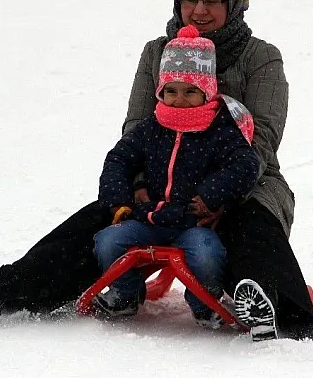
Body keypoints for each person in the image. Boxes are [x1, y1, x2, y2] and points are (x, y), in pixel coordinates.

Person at [0, 0, 313, 341]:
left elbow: (262, 142)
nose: (199, 10)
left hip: (243, 184)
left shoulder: (259, 57)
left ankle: (282, 316)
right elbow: (136, 130)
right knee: (99, 221)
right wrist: (137, 187)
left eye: (213, 0)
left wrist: (219, 195)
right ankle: (2, 292)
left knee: (250, 228)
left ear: (235, 3)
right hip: (159, 184)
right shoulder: (157, 51)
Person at [92, 25, 258, 330]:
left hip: (193, 221)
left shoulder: (219, 128)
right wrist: (118, 200)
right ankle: (126, 294)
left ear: (206, 91)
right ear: (161, 91)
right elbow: (118, 158)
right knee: (108, 241)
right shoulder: (152, 126)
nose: (179, 99)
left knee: (207, 253)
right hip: (150, 219)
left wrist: (210, 196)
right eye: (171, 91)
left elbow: (246, 164)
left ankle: (203, 301)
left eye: (190, 91)